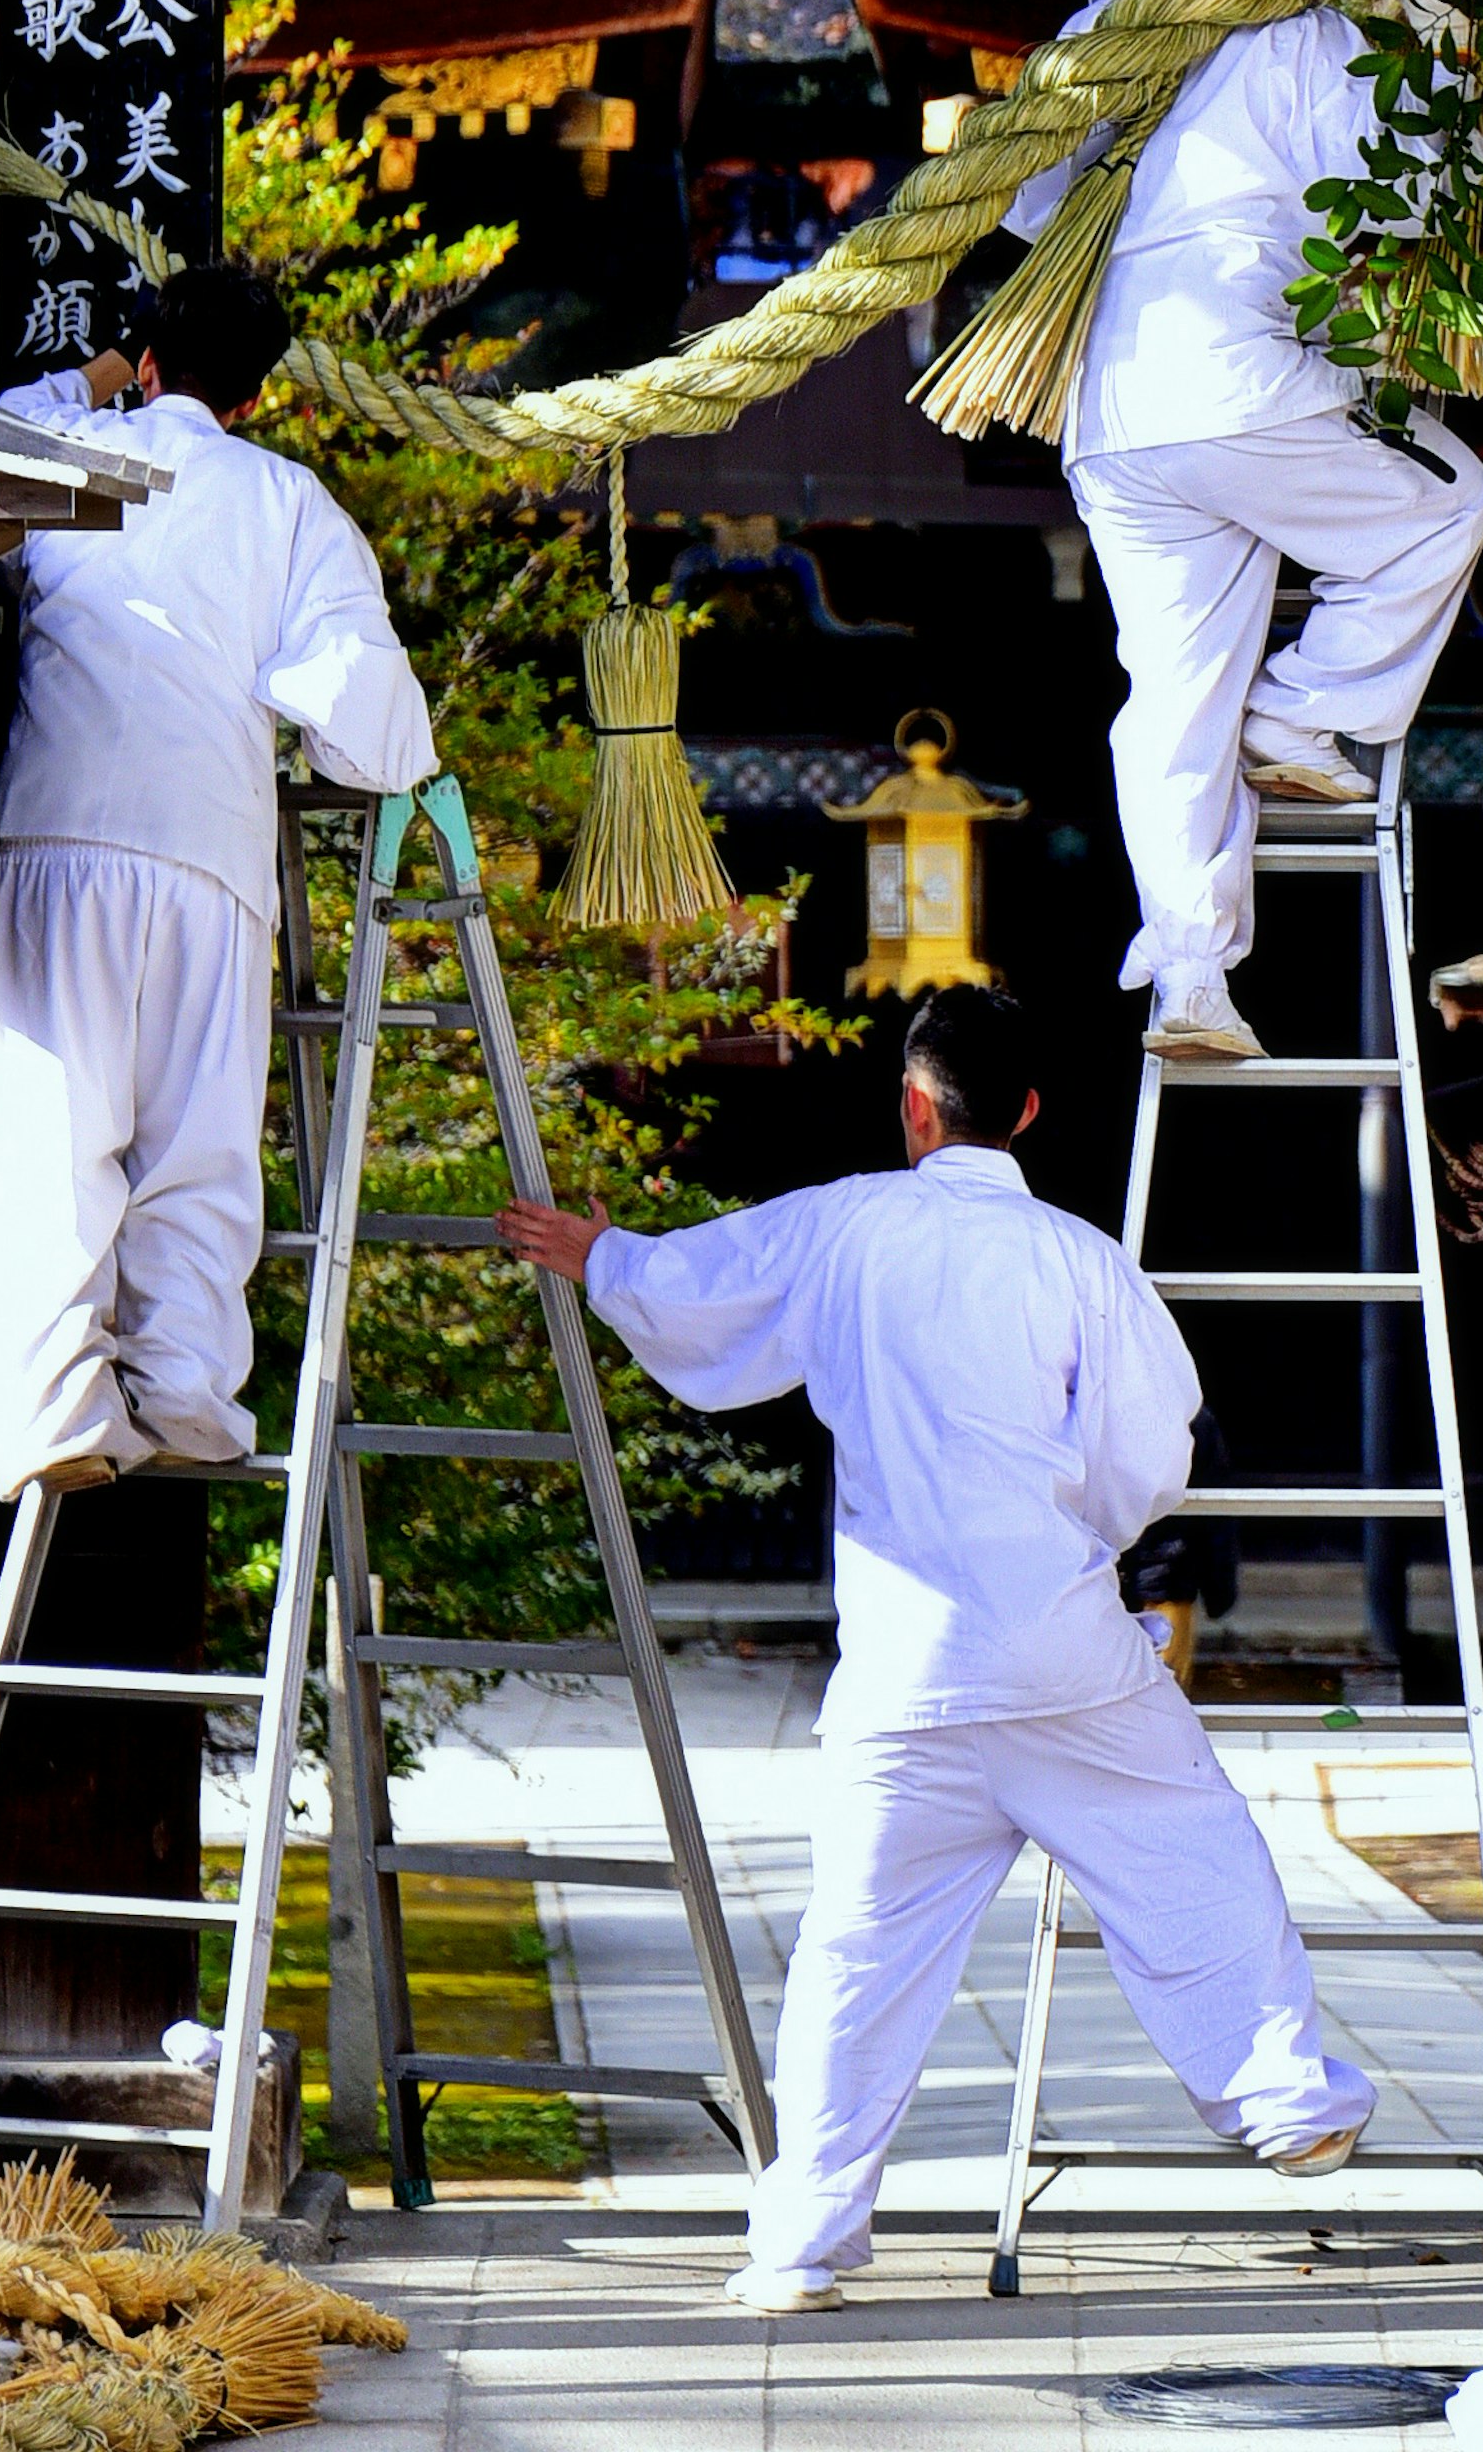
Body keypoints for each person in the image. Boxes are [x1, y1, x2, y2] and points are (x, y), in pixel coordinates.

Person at [502, 980, 1373, 2312]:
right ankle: (1287, 2095)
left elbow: (704, 1286)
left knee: (859, 1953)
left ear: (915, 1105)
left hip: (904, 1672)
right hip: (1059, 1649)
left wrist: (600, 1259)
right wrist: (1067, 1529)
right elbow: (1153, 1454)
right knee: (1195, 1841)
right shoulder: (1082, 1260)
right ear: (1025, 1114)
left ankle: (797, 2244)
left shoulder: (852, 1223)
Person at [0, 259, 440, 1501]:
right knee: (198, 1143)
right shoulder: (290, 502)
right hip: (210, 852)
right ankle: (180, 1389)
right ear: (260, 397)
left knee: (48, 1138)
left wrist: (103, 372)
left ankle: (47, 1412)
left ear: (155, 365)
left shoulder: (75, 450)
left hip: (61, 832)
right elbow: (364, 712)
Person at [1014, 0, 1483, 1061]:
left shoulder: (1108, 35)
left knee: (1172, 695)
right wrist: (1442, 47)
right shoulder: (1314, 39)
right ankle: (1304, 709)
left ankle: (1190, 979)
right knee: (1445, 505)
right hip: (1243, 381)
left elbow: (1021, 202)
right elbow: (1409, 195)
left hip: (1112, 417)